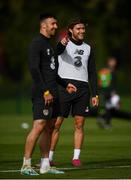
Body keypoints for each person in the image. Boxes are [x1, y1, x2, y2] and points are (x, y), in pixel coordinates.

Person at [21, 13, 77, 176]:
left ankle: (45, 165)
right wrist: (45, 91)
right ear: (43, 26)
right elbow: (34, 69)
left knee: (49, 129)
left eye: (56, 23)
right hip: (42, 93)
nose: (55, 26)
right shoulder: (36, 44)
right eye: (53, 24)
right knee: (39, 126)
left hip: (55, 93)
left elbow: (52, 72)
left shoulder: (49, 45)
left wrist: (66, 85)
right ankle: (26, 165)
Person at [39, 18, 99, 167]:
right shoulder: (63, 43)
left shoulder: (88, 48)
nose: (81, 31)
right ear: (71, 30)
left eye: (83, 29)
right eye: (78, 29)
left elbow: (92, 72)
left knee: (79, 124)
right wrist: (61, 44)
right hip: (64, 86)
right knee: (56, 123)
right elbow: (56, 52)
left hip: (83, 88)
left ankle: (76, 157)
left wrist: (95, 94)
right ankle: (49, 158)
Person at [97, 57, 131, 129]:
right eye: (112, 61)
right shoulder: (105, 71)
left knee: (112, 107)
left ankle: (103, 118)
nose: (114, 63)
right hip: (107, 92)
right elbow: (102, 83)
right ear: (108, 62)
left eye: (114, 61)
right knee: (111, 107)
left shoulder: (113, 71)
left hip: (111, 92)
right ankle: (105, 121)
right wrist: (106, 92)